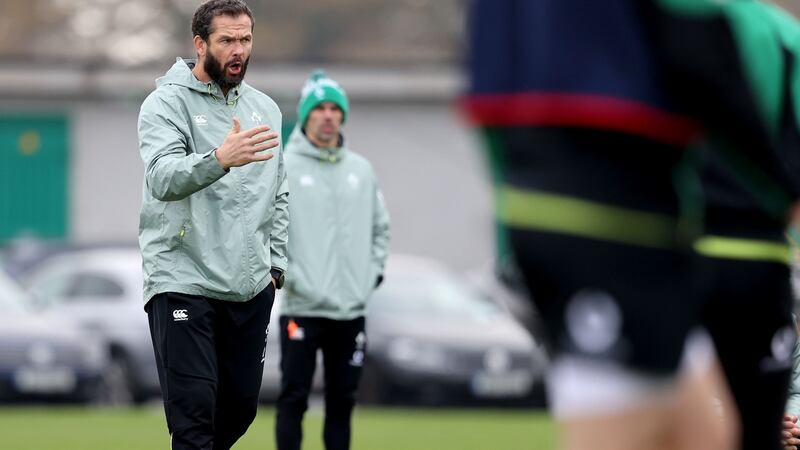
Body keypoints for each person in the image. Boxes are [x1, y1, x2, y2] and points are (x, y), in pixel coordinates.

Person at [461, 1, 800, 450]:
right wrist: (782, 186)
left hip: (567, 208)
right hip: (613, 221)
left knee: (706, 435)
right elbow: (702, 48)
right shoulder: (763, 30)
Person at [137, 1, 288, 449]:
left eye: (245, 39)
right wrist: (220, 159)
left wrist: (275, 265)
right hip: (183, 280)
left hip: (248, 287)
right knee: (194, 415)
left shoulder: (266, 109)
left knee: (238, 411)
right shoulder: (164, 103)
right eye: (226, 41)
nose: (238, 50)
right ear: (200, 44)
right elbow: (162, 178)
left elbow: (279, 193)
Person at [275, 70, 390, 450]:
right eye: (319, 109)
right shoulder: (284, 166)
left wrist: (369, 276)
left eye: (334, 109)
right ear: (306, 116)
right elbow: (266, 231)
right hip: (302, 307)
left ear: (342, 116)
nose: (327, 116)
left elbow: (380, 229)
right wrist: (289, 278)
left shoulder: (361, 169)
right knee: (294, 398)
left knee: (343, 403)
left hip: (350, 310)